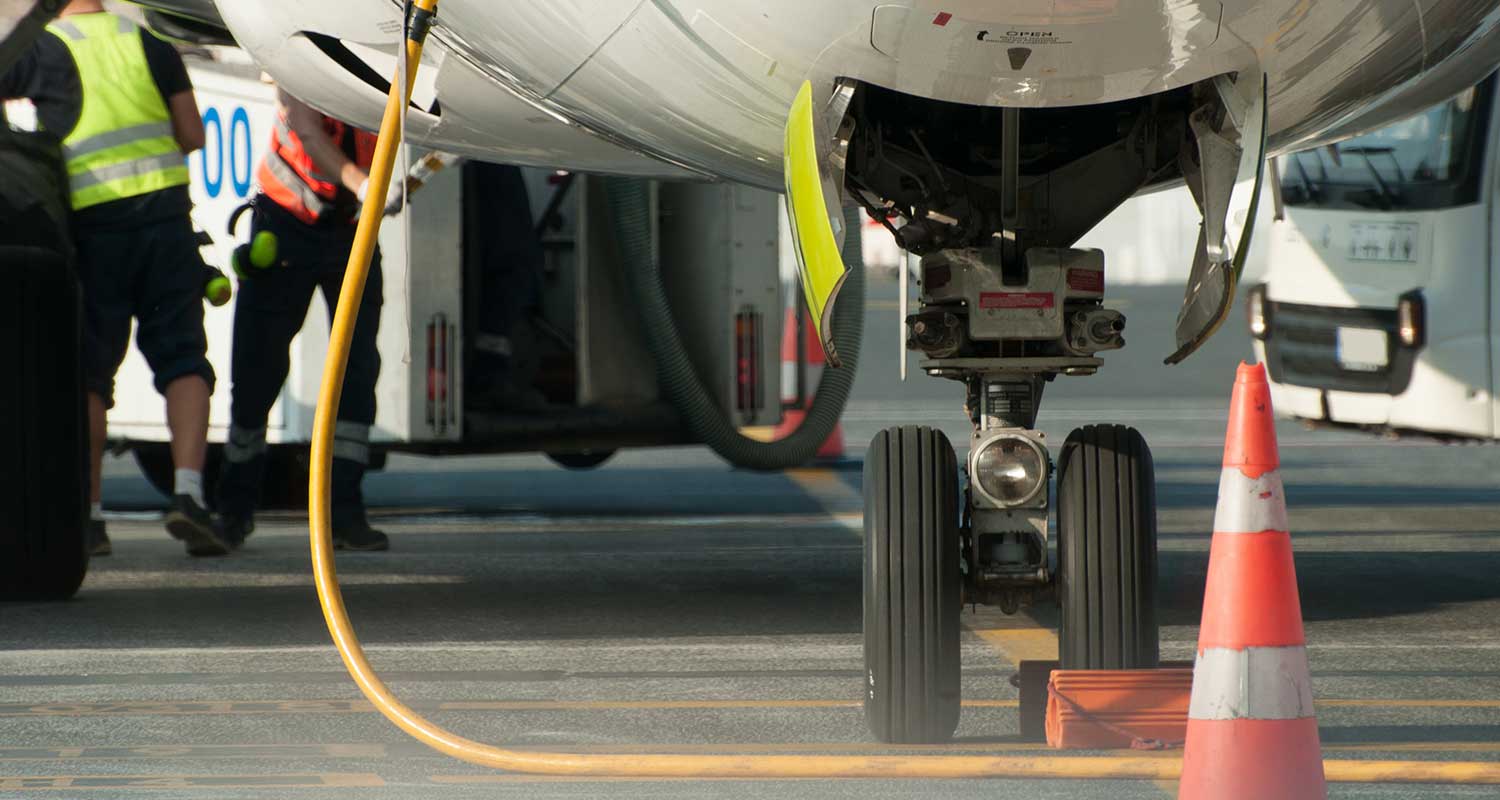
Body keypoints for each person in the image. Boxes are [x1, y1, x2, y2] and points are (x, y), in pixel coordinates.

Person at [1, 0, 228, 557]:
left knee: (91, 374)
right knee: (183, 359)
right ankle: (189, 496)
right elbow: (193, 134)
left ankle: (92, 515)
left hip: (94, 229)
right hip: (167, 222)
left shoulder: (44, 47)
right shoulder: (150, 42)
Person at [214, 88, 393, 551]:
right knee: (258, 371)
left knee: (356, 372)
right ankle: (233, 511)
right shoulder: (302, 34)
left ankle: (346, 512)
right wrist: (365, 183)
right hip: (287, 224)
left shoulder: (386, 51)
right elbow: (308, 133)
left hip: (351, 227)